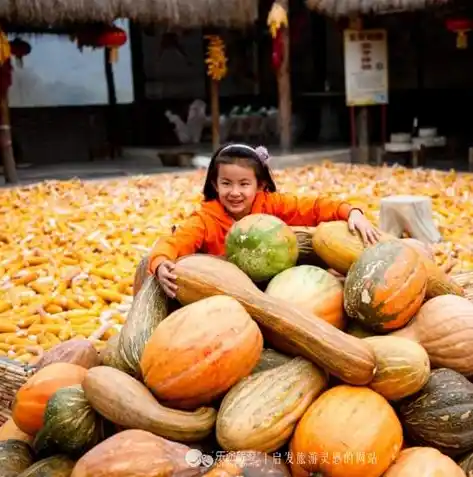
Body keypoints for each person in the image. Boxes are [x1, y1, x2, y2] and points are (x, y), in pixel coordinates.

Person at [149, 143, 381, 298]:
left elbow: (313, 207)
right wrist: (160, 262)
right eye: (226, 183)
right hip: (228, 294)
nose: (235, 192)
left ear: (260, 185)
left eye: (244, 184)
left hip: (278, 287)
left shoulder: (271, 204)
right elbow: (176, 240)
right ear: (214, 185)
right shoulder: (205, 219)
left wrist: (351, 212)